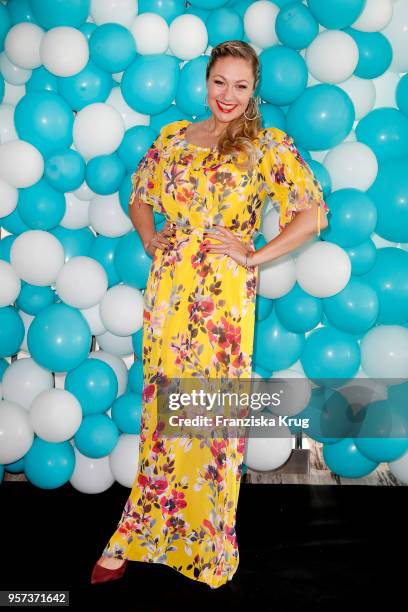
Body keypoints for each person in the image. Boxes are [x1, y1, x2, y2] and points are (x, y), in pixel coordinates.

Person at [91, 39, 329, 589]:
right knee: (162, 413)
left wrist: (252, 254)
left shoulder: (268, 146)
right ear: (206, 81)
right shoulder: (174, 139)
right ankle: (139, 534)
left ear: (254, 91)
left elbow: (313, 215)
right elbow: (139, 195)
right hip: (169, 292)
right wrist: (151, 238)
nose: (229, 95)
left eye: (241, 86)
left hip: (221, 299)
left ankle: (206, 543)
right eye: (220, 82)